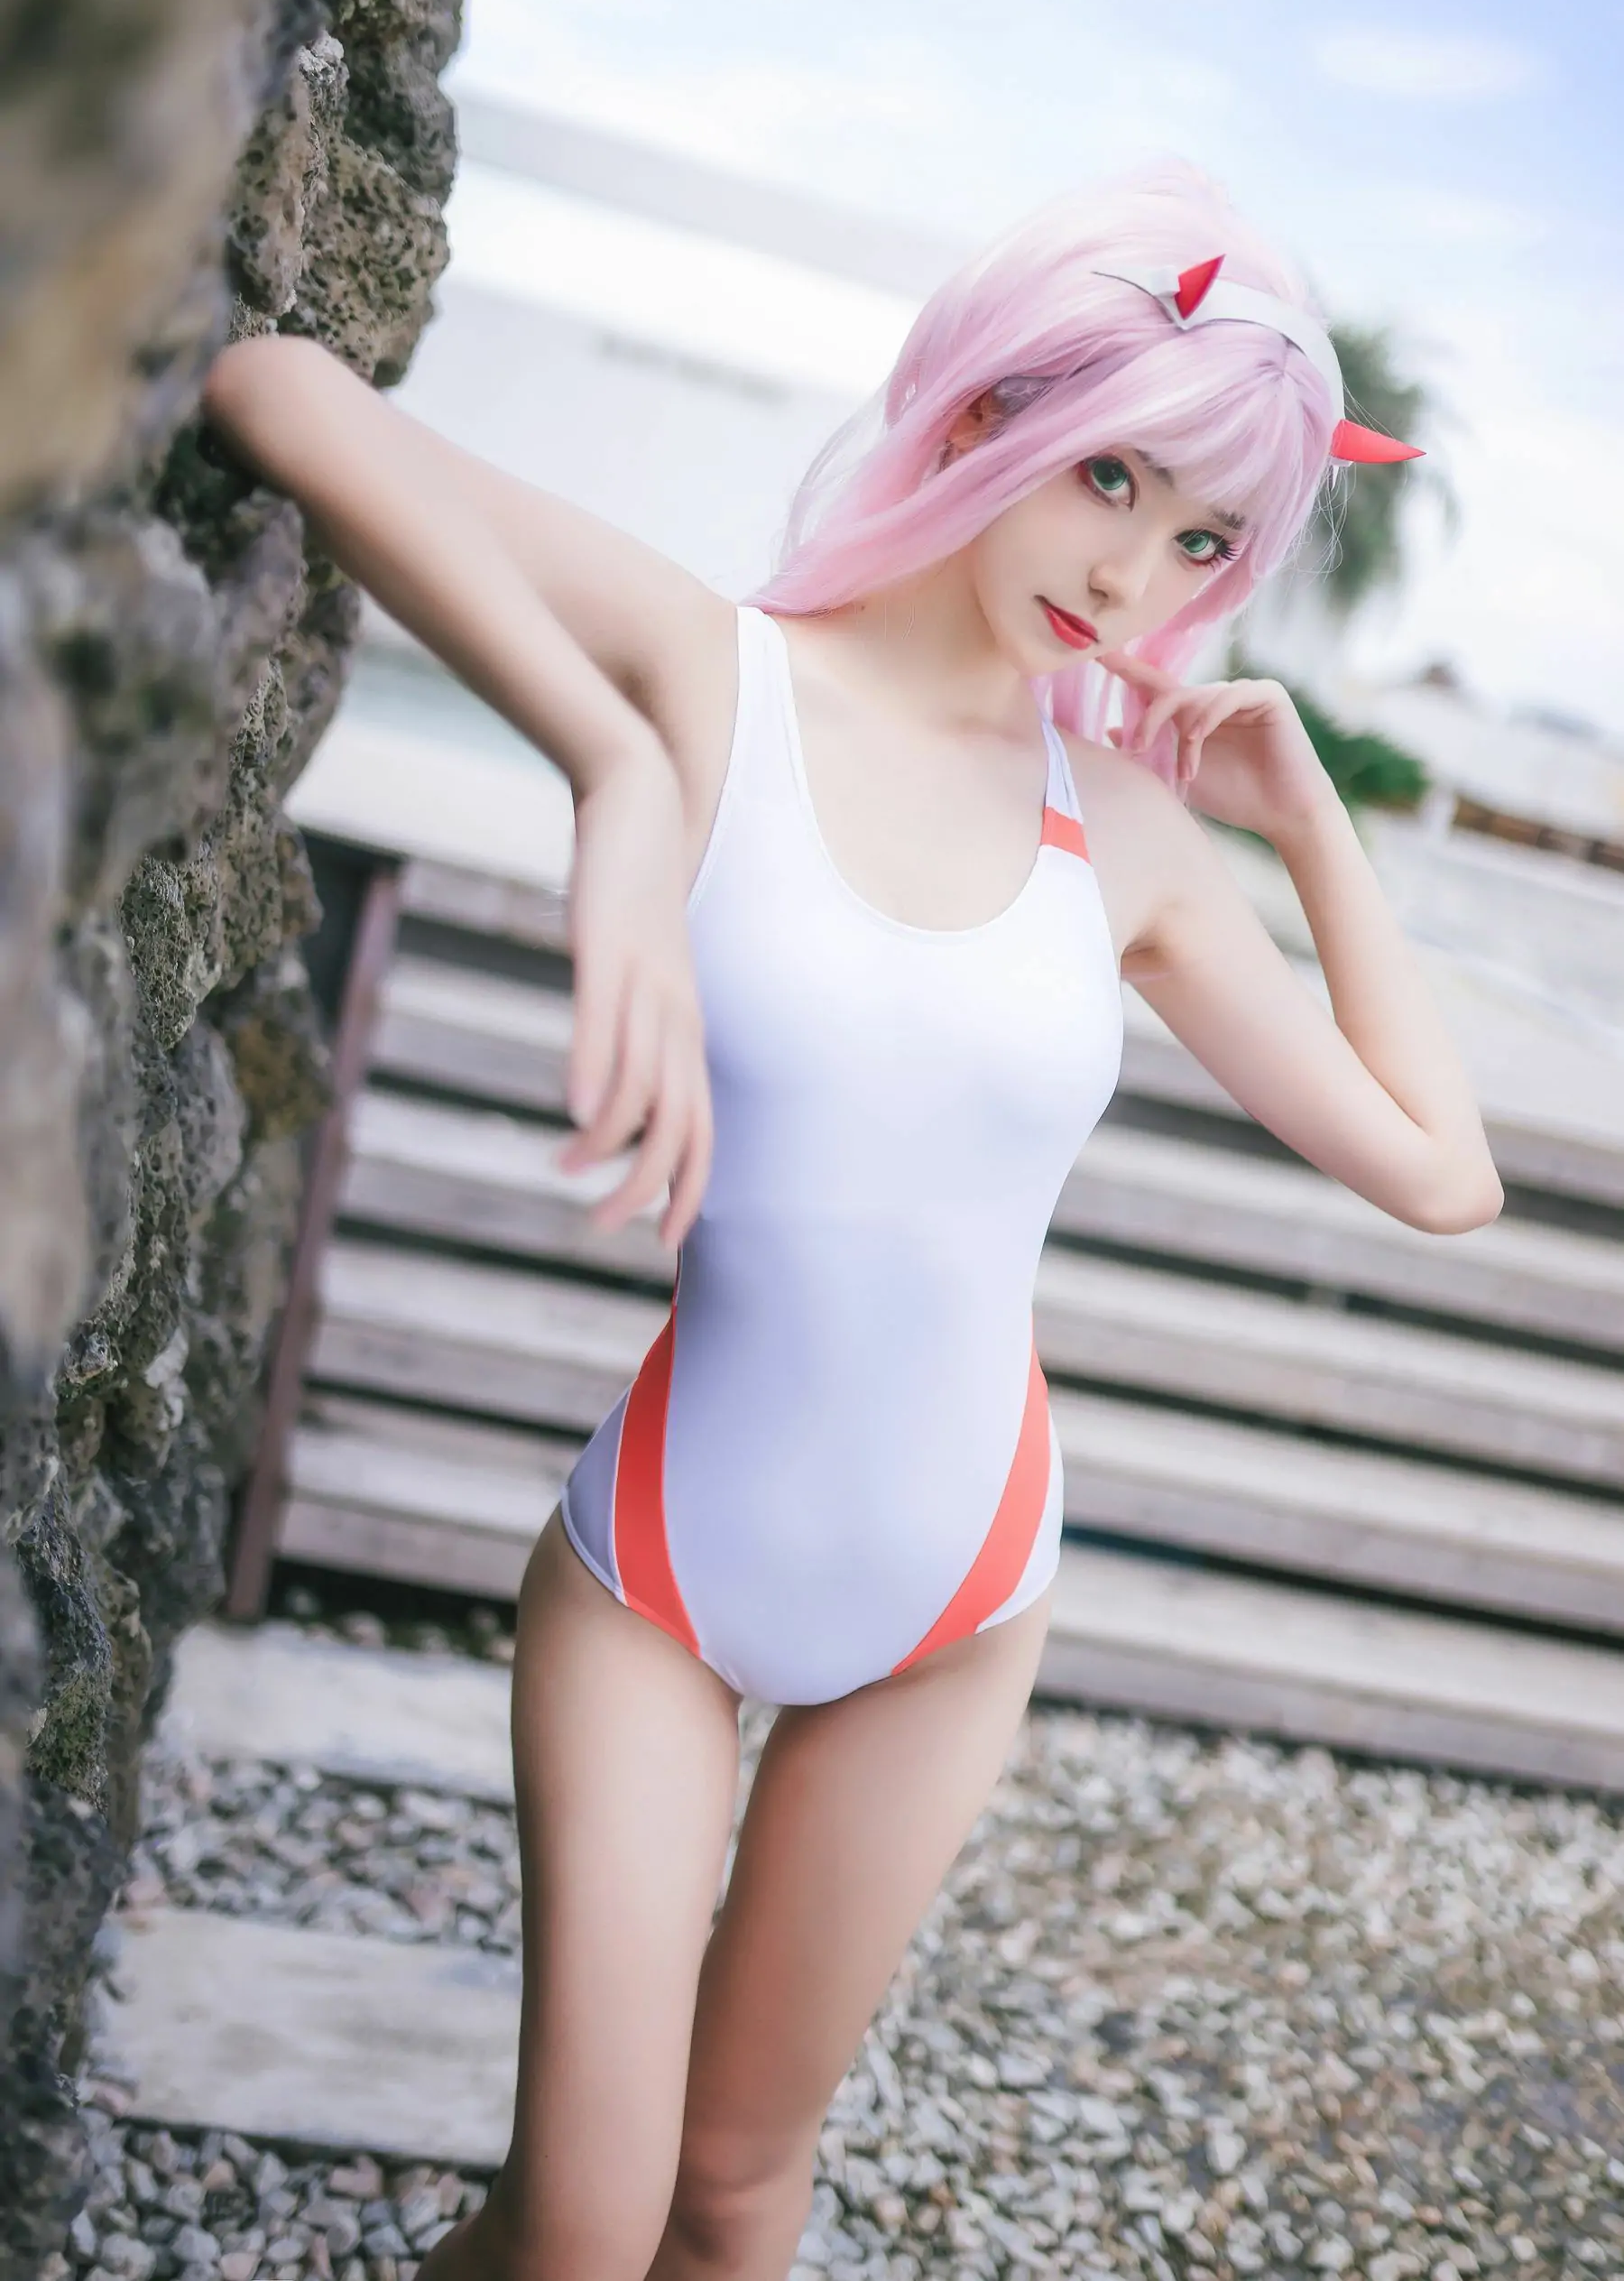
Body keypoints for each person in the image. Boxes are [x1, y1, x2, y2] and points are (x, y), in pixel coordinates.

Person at [202, 160, 1500, 2281]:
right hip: (661, 1576)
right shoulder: (717, 674)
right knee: (579, 2227)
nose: (1134, 573)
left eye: (1200, 540)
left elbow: (1443, 1175)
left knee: (733, 2200)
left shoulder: (1131, 838)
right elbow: (275, 393)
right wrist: (617, 767)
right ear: (985, 413)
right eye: (1108, 477)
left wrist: (1311, 824)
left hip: (964, 1595)